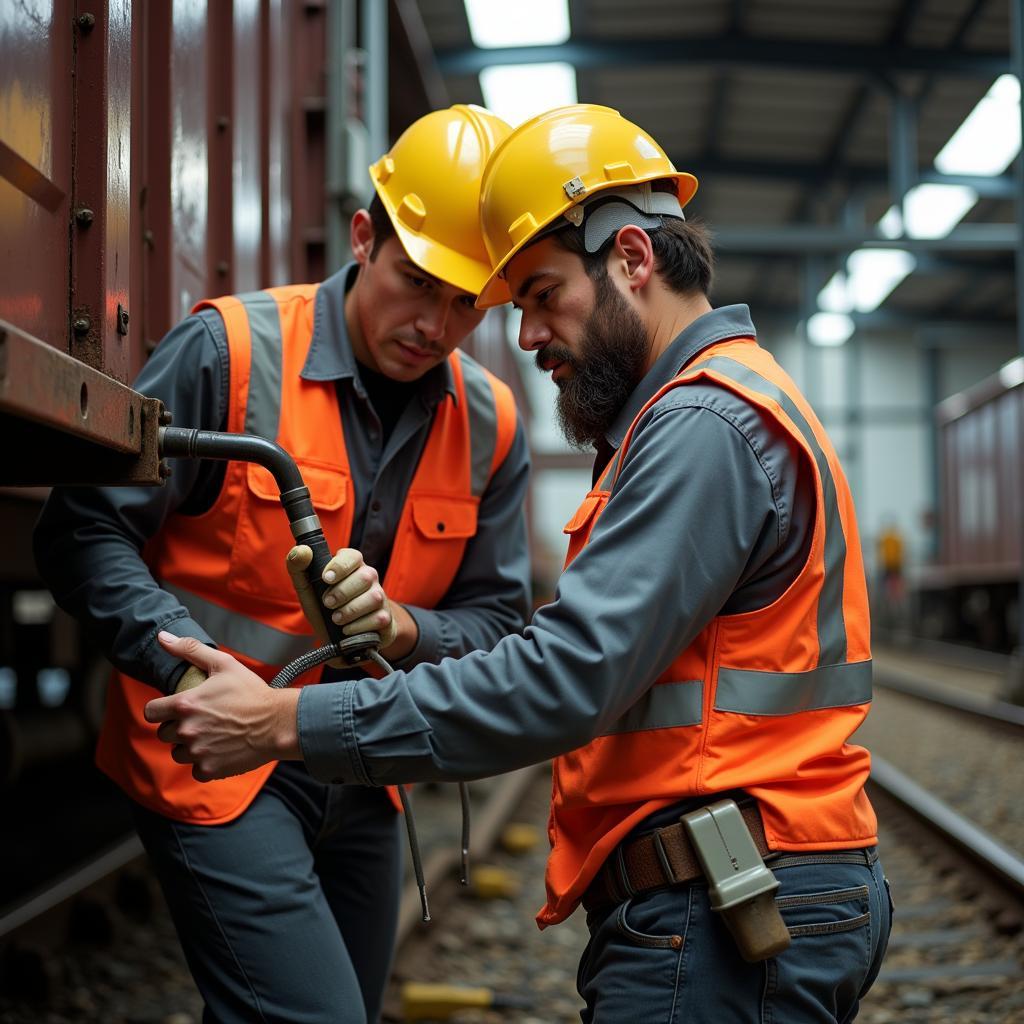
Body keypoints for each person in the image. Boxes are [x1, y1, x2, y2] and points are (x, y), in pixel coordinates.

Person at [143, 104, 892, 1022]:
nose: (524, 336)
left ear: (631, 258)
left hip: (722, 909)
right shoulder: (715, 410)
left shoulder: (702, 426)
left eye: (540, 296)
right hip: (731, 891)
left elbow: (562, 677)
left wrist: (284, 721)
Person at [34, 104, 531, 1024]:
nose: (434, 324)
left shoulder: (493, 425)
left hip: (360, 762)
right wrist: (184, 660)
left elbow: (501, 623)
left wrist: (402, 627)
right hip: (214, 756)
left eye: (467, 302)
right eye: (416, 281)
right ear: (362, 237)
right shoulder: (230, 351)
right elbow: (83, 528)